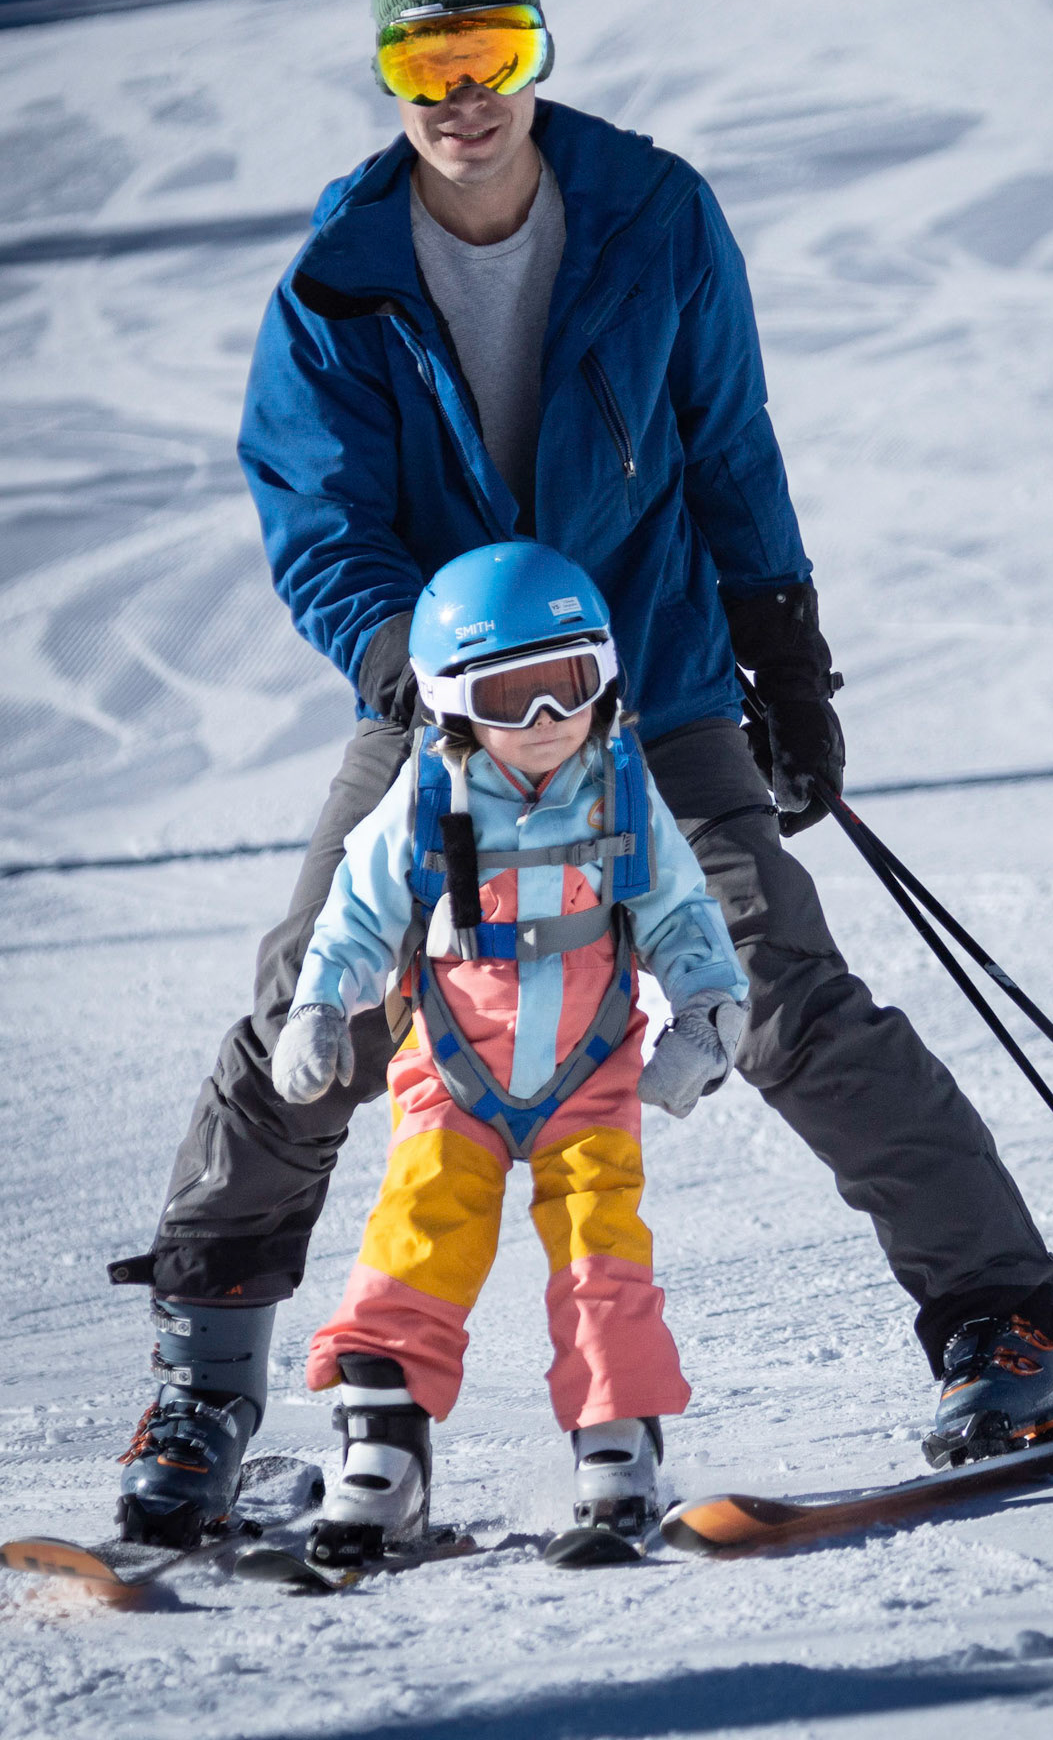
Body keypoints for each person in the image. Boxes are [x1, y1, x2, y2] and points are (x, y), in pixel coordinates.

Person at [113, 0, 1053, 1548]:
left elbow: (731, 442)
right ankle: (206, 1386)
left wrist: (782, 647)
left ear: (537, 55)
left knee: (775, 991)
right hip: (442, 711)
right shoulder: (339, 282)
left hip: (651, 687)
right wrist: (407, 673)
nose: (463, 94)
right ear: (386, 80)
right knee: (321, 991)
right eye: (425, 61)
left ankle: (1012, 1331)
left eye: (491, 52)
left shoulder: (650, 216)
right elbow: (323, 523)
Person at [268, 542, 741, 1562]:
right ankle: (383, 1451)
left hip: (588, 1073)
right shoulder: (428, 799)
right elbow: (357, 911)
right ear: (452, 704)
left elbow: (684, 913)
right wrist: (318, 1004)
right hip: (455, 1071)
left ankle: (618, 1441)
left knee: (600, 1245)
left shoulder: (620, 791)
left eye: (566, 687)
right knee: (418, 1229)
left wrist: (705, 1014)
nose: (544, 723)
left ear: (603, 678)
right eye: (510, 697)